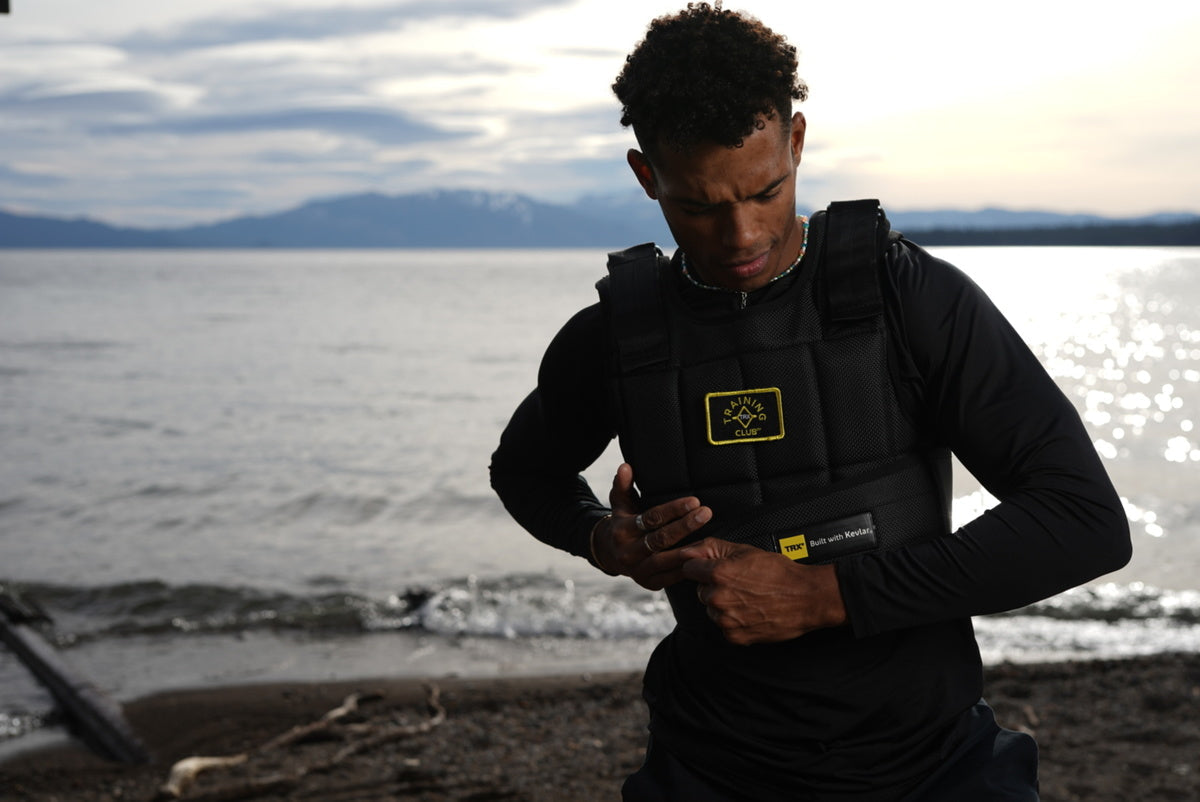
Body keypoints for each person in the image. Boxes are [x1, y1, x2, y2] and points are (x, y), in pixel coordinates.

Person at [489, 3, 1131, 800]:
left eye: (766, 190)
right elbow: (522, 470)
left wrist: (828, 594)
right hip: (711, 767)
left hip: (930, 765)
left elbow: (1084, 521)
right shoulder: (618, 337)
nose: (742, 234)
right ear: (646, 174)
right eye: (699, 205)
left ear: (796, 140)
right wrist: (603, 540)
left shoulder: (910, 300)